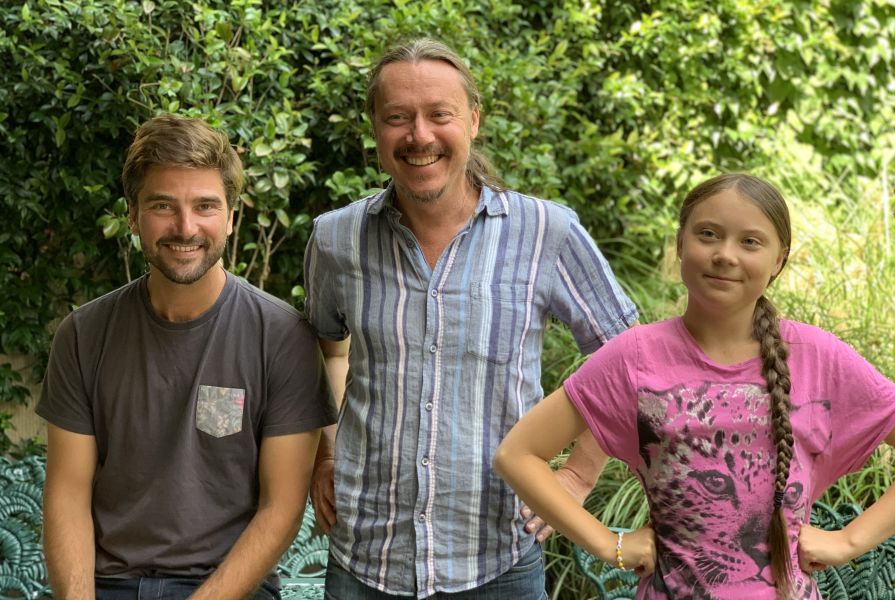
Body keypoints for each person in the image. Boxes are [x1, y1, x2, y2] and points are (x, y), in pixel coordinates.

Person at [303, 38, 638, 598]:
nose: (419, 136)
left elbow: (630, 360)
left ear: (474, 120)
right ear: (375, 130)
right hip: (364, 559)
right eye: (397, 118)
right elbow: (328, 346)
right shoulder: (336, 238)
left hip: (499, 561)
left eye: (440, 115)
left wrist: (577, 476)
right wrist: (329, 448)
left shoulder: (545, 234)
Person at [494, 173, 895, 599]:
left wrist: (849, 540)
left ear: (779, 259)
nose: (725, 255)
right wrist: (607, 544)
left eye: (750, 242)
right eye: (708, 234)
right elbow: (517, 454)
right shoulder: (635, 356)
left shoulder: (818, 356)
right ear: (681, 244)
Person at [38, 114, 337, 600]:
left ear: (231, 217)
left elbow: (281, 509)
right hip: (109, 584)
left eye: (205, 206)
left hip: (228, 587)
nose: (185, 227)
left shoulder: (281, 336)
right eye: (162, 205)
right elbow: (68, 492)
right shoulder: (84, 334)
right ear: (133, 215)